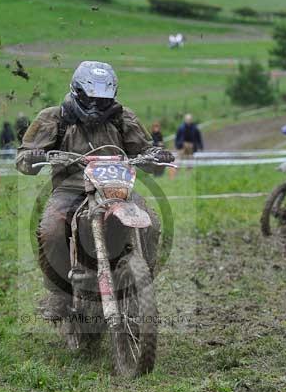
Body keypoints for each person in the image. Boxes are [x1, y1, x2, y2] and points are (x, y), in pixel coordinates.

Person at [16, 61, 175, 320]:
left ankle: (142, 286)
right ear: (76, 92)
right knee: (52, 230)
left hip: (116, 188)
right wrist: (33, 156)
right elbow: (24, 158)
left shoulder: (123, 118)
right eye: (89, 99)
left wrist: (154, 154)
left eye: (101, 101)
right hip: (71, 189)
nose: (94, 107)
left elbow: (144, 148)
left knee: (152, 224)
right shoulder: (54, 118)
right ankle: (59, 293)